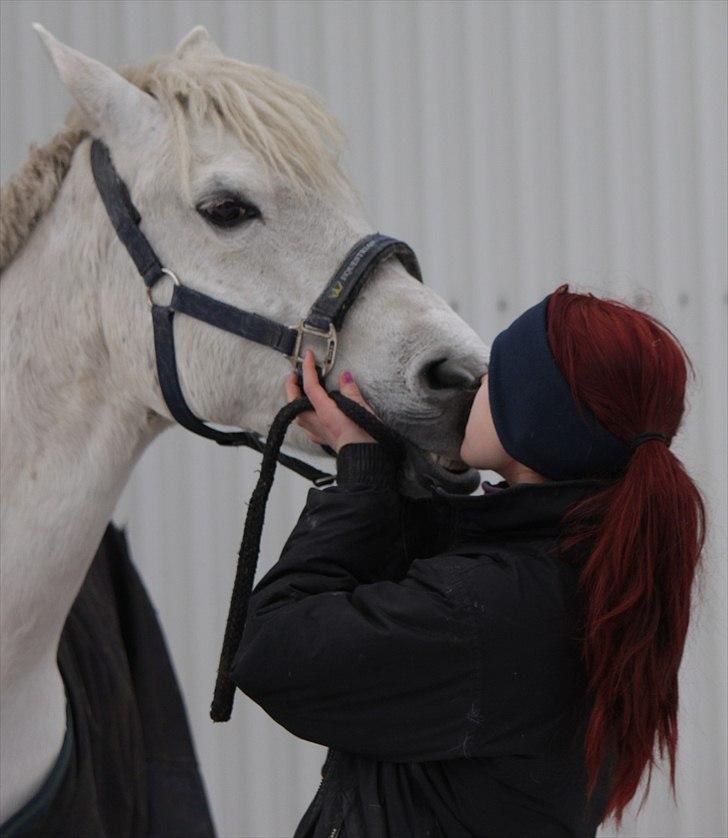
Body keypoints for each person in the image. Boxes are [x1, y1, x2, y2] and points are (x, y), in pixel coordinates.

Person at [230, 283, 706, 838]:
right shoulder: (572, 575)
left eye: (495, 380)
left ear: (534, 422)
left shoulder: (491, 608)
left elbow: (271, 647)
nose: (474, 387)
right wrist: (390, 476)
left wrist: (360, 480)